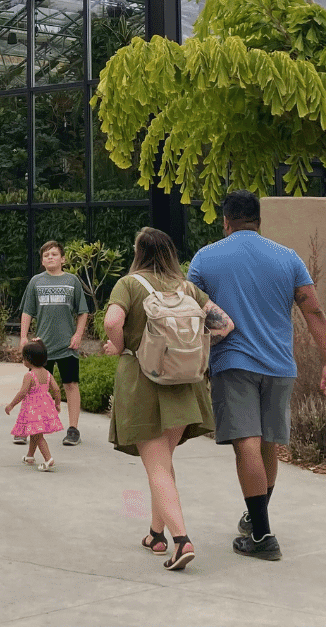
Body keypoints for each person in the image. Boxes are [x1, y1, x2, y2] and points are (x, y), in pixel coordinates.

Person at [186, 190, 326, 562]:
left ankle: (262, 535)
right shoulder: (288, 258)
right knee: (269, 443)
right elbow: (314, 312)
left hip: (234, 363)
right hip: (280, 366)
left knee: (247, 444)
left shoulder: (206, 258)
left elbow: (190, 310)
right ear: (259, 220)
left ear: (226, 221)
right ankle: (257, 517)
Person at [102, 227, 235, 571]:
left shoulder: (129, 284)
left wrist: (118, 346)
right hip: (184, 386)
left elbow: (112, 320)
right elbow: (224, 325)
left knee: (157, 466)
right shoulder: (187, 288)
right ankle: (155, 534)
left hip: (143, 383)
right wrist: (191, 350)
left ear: (139, 251)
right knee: (163, 464)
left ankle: (181, 541)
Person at [18, 241, 89, 447]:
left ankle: (73, 430)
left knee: (70, 385)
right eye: (46, 255)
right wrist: (23, 337)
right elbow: (27, 311)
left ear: (63, 259)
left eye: (55, 254)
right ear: (42, 260)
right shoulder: (36, 282)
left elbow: (83, 311)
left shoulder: (72, 281)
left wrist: (78, 335)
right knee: (35, 387)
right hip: (42, 347)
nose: (50, 257)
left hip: (68, 346)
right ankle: (27, 427)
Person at [5, 340, 64, 471]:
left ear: (29, 360)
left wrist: (11, 405)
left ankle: (48, 459)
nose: (23, 361)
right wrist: (57, 404)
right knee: (34, 432)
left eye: (24, 358)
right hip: (46, 409)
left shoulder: (29, 375)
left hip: (33, 410)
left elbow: (22, 393)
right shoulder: (47, 374)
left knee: (37, 434)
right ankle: (30, 456)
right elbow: (57, 390)